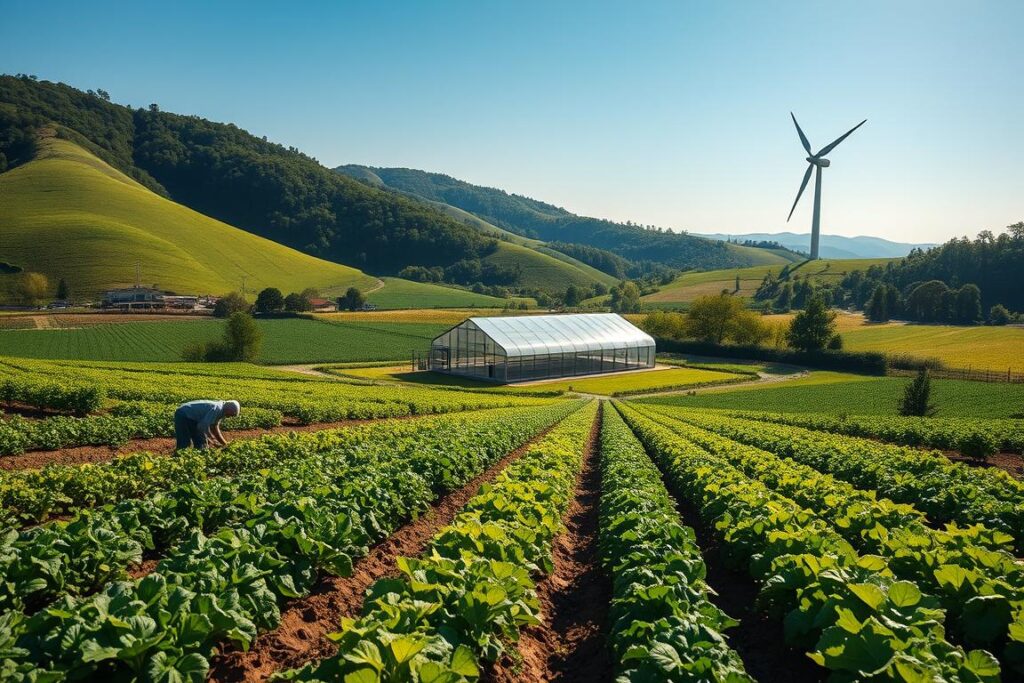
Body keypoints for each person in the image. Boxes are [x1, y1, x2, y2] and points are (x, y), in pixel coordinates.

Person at [173, 399, 240, 450]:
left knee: (201, 442)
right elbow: (202, 427)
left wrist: (224, 443)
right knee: (184, 442)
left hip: (193, 418)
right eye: (232, 414)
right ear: (229, 409)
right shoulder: (217, 409)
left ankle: (199, 457)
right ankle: (178, 459)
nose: (231, 416)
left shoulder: (222, 411)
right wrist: (212, 440)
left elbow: (215, 427)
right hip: (183, 414)